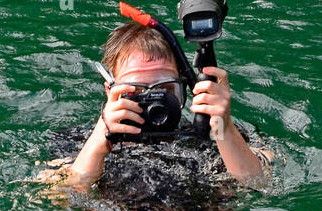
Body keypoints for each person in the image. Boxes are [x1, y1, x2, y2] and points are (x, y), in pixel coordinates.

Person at [65, 22, 270, 191]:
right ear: (111, 92)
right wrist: (100, 139)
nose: (153, 103)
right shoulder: (78, 143)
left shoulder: (215, 137)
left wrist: (224, 125)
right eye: (136, 92)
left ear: (184, 89)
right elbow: (61, 197)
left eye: (165, 90)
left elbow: (260, 185)